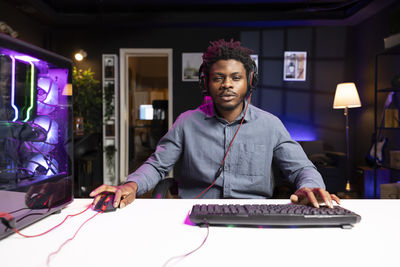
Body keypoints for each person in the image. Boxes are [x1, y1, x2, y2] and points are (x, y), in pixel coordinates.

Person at [91, 39, 340, 209]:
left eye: (236, 78)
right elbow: (157, 166)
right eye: (218, 78)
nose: (227, 84)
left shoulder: (270, 125)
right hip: (194, 216)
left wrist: (311, 186)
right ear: (206, 83)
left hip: (252, 217)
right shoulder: (187, 122)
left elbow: (301, 169)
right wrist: (131, 185)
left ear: (249, 82)